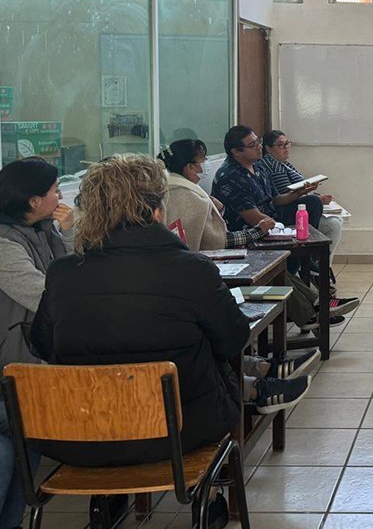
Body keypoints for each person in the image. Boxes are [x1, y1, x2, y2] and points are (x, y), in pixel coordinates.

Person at [29, 154, 312, 471]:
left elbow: (42, 344)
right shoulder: (192, 270)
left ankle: (259, 377)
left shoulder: (63, 273)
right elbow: (233, 341)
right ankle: (257, 385)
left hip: (81, 433)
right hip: (178, 428)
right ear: (156, 211)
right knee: (205, 342)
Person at [160, 139, 358, 333]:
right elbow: (215, 242)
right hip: (215, 258)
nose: (203, 168)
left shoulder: (253, 170)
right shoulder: (190, 193)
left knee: (283, 257)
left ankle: (318, 304)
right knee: (269, 265)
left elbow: (273, 200)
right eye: (201, 162)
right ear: (189, 167)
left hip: (233, 243)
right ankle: (311, 312)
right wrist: (259, 231)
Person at [0, 157, 73, 528]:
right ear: (32, 200)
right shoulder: (4, 244)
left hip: (33, 363)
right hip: (12, 365)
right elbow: (47, 297)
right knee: (10, 442)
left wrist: (67, 232)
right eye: (54, 190)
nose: (60, 195)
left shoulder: (46, 229)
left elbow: (75, 272)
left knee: (23, 446)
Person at [263, 130, 343, 280]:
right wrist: (314, 198)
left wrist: (317, 196)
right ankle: (314, 263)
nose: (286, 148)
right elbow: (285, 195)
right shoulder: (273, 166)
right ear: (268, 148)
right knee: (332, 223)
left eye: (287, 144)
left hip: (295, 208)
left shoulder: (283, 163)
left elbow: (298, 189)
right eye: (281, 145)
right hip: (284, 215)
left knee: (335, 220)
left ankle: (320, 269)